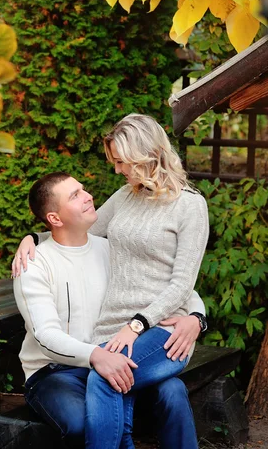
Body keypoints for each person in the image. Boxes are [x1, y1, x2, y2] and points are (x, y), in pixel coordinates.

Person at [14, 167, 207, 447]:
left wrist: (196, 316)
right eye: (75, 195)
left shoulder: (111, 249)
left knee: (172, 391)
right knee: (82, 422)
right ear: (54, 218)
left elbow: (174, 286)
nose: (88, 196)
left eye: (83, 189)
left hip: (115, 357)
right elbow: (45, 337)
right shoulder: (34, 264)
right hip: (56, 372)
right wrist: (96, 356)